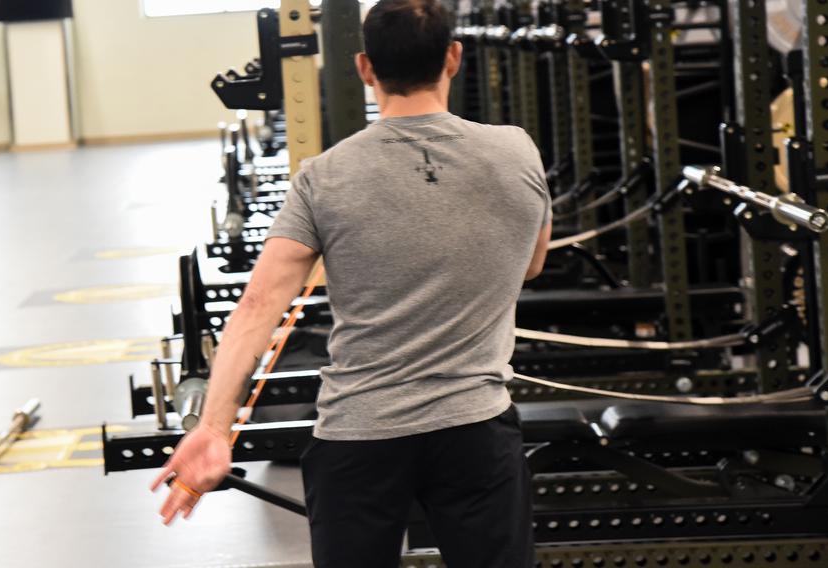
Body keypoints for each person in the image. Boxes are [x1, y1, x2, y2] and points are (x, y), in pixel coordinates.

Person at [151, 0, 552, 566]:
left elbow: (258, 307)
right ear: (454, 58)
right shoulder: (517, 150)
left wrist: (215, 429)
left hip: (360, 439)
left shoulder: (323, 176)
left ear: (365, 68)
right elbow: (532, 264)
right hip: (476, 430)